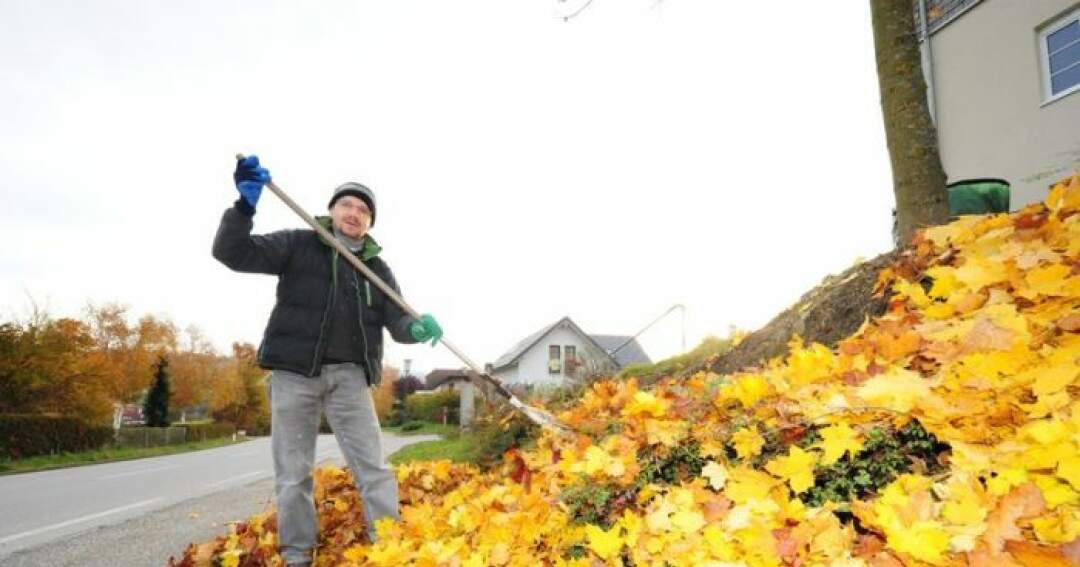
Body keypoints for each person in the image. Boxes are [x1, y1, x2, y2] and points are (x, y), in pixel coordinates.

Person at [212, 155, 442, 567]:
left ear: (370, 222)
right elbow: (232, 252)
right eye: (347, 205)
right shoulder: (299, 244)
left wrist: (417, 327)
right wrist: (244, 207)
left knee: (373, 467)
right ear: (332, 211)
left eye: (364, 210)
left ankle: (389, 545)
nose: (354, 213)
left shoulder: (376, 268)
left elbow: (398, 320)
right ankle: (298, 554)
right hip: (295, 375)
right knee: (293, 472)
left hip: (350, 378)